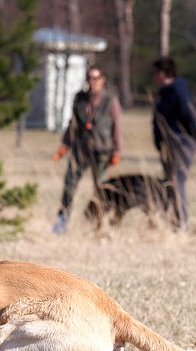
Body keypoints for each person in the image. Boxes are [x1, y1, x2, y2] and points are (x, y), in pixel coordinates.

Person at [51, 65, 122, 234]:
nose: (93, 81)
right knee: (69, 184)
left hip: (102, 150)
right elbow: (73, 123)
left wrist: (117, 151)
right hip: (80, 150)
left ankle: (101, 222)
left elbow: (117, 127)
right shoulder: (80, 98)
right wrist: (64, 145)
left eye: (96, 78)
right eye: (90, 78)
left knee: (102, 188)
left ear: (102, 80)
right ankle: (62, 221)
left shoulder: (110, 100)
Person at [152, 57, 196, 230]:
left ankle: (182, 222)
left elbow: (190, 114)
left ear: (162, 73)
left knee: (177, 180)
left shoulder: (177, 90)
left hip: (181, 142)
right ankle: (170, 219)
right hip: (169, 144)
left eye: (156, 73)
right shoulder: (164, 93)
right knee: (169, 181)